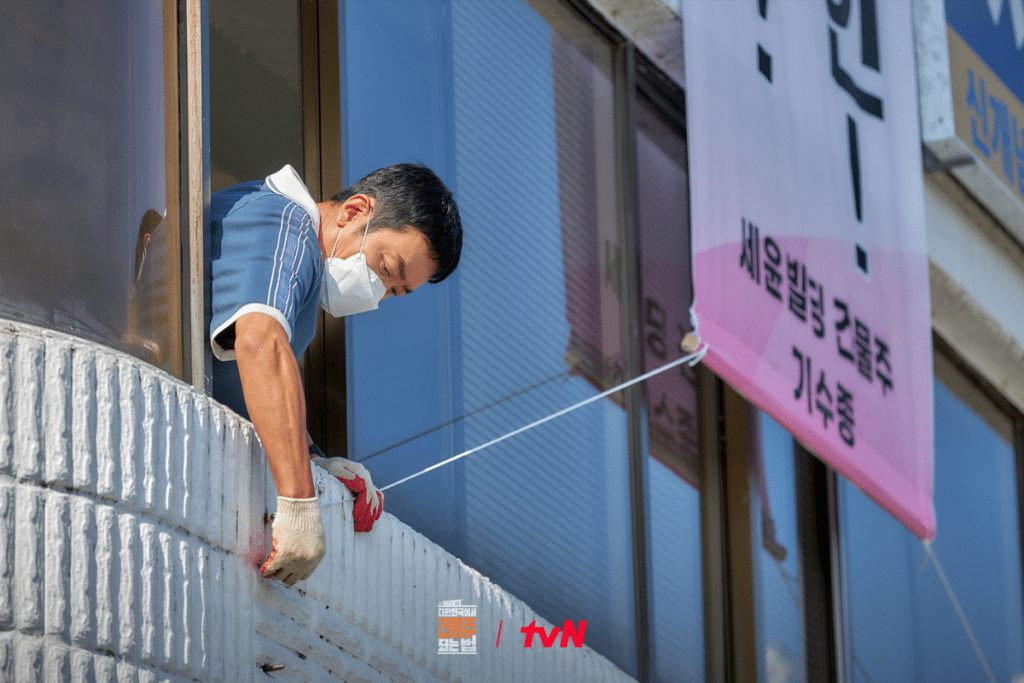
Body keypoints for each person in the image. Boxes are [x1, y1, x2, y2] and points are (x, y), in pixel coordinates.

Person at [208, 163, 462, 586]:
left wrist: (315, 461)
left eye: (394, 291)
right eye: (386, 268)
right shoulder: (286, 221)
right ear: (354, 211)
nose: (379, 292)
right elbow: (260, 343)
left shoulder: (297, 268)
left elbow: (234, 378)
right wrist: (299, 501)